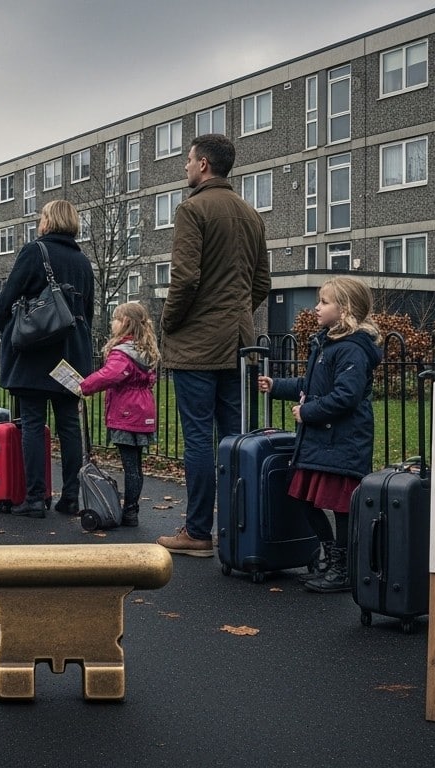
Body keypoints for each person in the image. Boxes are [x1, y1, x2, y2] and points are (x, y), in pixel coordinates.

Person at [155, 134, 270, 556]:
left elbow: (185, 279)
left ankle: (198, 531)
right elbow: (261, 283)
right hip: (237, 341)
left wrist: (170, 322)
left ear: (203, 164)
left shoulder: (192, 209)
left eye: (188, 160)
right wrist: (236, 313)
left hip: (197, 345)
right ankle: (241, 528)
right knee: (236, 437)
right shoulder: (250, 214)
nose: (185, 167)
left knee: (199, 437)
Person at [258, 277, 382, 592]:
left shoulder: (352, 349)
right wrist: (276, 387)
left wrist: (307, 412)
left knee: (340, 507)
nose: (316, 307)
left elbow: (345, 396)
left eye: (324, 302)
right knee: (301, 496)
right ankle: (330, 555)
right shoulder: (326, 343)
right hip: (320, 442)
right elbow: (310, 385)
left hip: (342, 441)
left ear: (345, 309)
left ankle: (342, 568)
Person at [0, 200, 95, 517]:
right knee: (68, 425)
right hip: (71, 354)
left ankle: (36, 499)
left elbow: (8, 297)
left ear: (47, 221)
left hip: (36, 352)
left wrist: (1, 323)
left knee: (33, 424)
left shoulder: (35, 251)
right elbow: (87, 312)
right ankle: (71, 497)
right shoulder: (83, 261)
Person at [77, 301, 159, 527]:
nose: (112, 323)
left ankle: (130, 512)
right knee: (136, 464)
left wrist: (84, 386)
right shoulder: (145, 350)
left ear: (125, 323)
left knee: (130, 464)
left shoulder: (123, 352)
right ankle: (132, 508)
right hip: (143, 410)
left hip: (126, 412)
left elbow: (109, 375)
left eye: (114, 319)